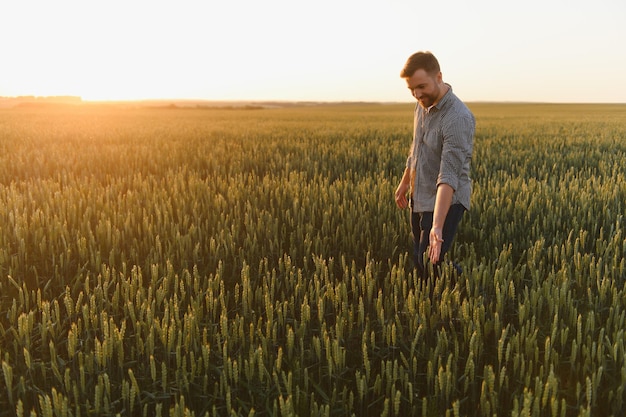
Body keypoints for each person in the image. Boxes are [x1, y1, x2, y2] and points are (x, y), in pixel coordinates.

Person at [394, 51, 475, 282]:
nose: (417, 94)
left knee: (430, 260)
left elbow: (448, 176)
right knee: (422, 258)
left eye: (421, 86)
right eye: (411, 89)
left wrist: (437, 227)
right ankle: (435, 297)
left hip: (445, 201)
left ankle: (463, 288)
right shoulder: (421, 105)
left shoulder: (457, 117)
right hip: (418, 195)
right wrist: (405, 182)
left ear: (438, 77)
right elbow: (416, 148)